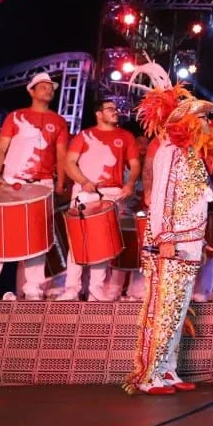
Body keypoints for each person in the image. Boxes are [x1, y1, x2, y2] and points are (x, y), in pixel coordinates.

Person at [124, 79, 213, 396]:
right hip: (171, 242)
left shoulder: (191, 154)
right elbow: (162, 197)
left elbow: (196, 200)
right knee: (162, 308)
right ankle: (148, 375)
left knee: (179, 310)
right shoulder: (168, 151)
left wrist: (199, 239)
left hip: (190, 240)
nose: (204, 123)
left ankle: (168, 369)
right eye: (198, 118)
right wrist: (165, 237)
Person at [0, 73, 70, 301]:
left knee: (37, 239)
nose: (48, 90)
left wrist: (61, 182)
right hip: (13, 182)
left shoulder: (58, 121)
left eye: (51, 87)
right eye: (43, 87)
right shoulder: (16, 116)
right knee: (1, 236)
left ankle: (33, 289)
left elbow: (61, 154)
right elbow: (0, 148)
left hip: (42, 184)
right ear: (31, 91)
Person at [57, 99, 140, 301]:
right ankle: (72, 289)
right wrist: (83, 181)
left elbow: (135, 164)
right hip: (85, 192)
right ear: (98, 113)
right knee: (78, 240)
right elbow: (69, 163)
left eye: (115, 109)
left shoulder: (126, 136)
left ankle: (96, 289)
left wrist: (129, 184)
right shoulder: (84, 136)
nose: (115, 112)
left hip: (112, 193)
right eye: (110, 109)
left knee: (103, 243)